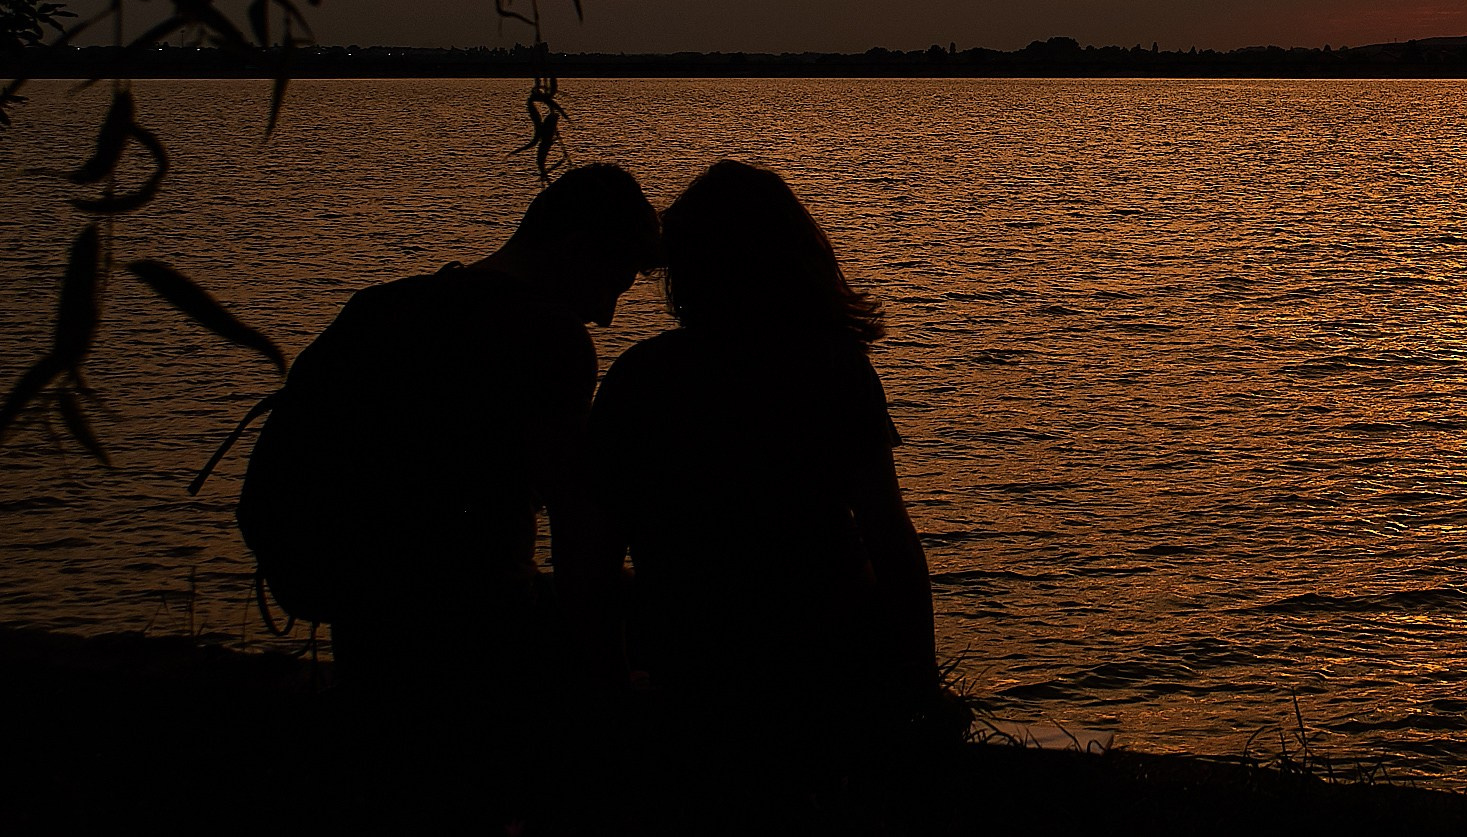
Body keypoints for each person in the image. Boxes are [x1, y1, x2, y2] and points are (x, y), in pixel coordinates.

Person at [237, 161, 662, 696]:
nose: (605, 316)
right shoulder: (547, 335)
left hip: (365, 624)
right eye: (611, 286)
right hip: (480, 630)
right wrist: (611, 680)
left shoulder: (383, 307)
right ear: (577, 250)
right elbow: (576, 532)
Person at [589, 160, 941, 730]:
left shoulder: (639, 375)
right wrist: (921, 684)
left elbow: (597, 550)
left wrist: (605, 678)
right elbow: (889, 536)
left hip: (689, 655)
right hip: (824, 653)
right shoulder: (832, 368)